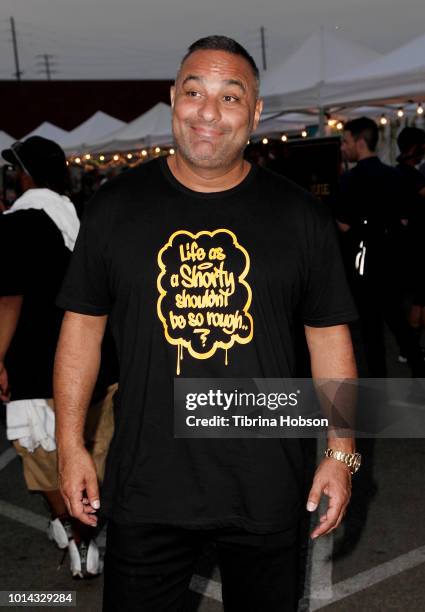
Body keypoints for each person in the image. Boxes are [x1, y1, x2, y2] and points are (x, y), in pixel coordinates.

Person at [54, 36, 359, 611]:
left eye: (230, 96)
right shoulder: (115, 208)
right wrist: (71, 447)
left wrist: (342, 452)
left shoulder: (299, 217)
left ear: (256, 111)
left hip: (266, 485)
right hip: (147, 487)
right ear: (173, 98)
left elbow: (329, 339)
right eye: (194, 92)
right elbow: (81, 332)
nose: (209, 112)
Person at [0, 136, 115, 579]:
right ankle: (83, 536)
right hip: (93, 361)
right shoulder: (79, 218)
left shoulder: (19, 224)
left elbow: (8, 297)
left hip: (37, 363)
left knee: (46, 458)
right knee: (90, 452)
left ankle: (76, 535)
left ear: (25, 174)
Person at [334, 117, 424, 377]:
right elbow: (406, 217)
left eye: (346, 141)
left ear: (360, 142)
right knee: (399, 324)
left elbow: (343, 224)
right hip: (394, 262)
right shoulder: (394, 176)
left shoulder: (350, 180)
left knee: (372, 333)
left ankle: (379, 391)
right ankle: (419, 371)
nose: (343, 147)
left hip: (365, 267)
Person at [395, 127, 425, 348]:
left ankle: (410, 348)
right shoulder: (413, 176)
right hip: (416, 246)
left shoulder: (396, 173)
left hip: (406, 246)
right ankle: (410, 349)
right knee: (419, 299)